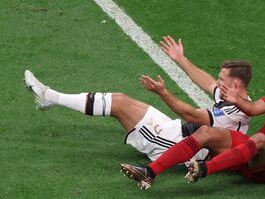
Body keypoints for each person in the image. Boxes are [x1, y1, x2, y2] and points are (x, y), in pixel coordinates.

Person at [24, 35, 252, 165]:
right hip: (178, 131)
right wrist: (181, 59)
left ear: (236, 84)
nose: (217, 83)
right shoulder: (233, 96)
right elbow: (206, 82)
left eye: (222, 79)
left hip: (181, 146)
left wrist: (163, 93)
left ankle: (49, 97)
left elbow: (192, 116)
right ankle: (50, 98)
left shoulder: (236, 112)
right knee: (121, 99)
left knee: (120, 104)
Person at [120, 55, 265, 190]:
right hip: (251, 153)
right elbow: (255, 108)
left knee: (260, 138)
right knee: (205, 131)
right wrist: (237, 99)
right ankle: (150, 172)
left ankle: (204, 169)